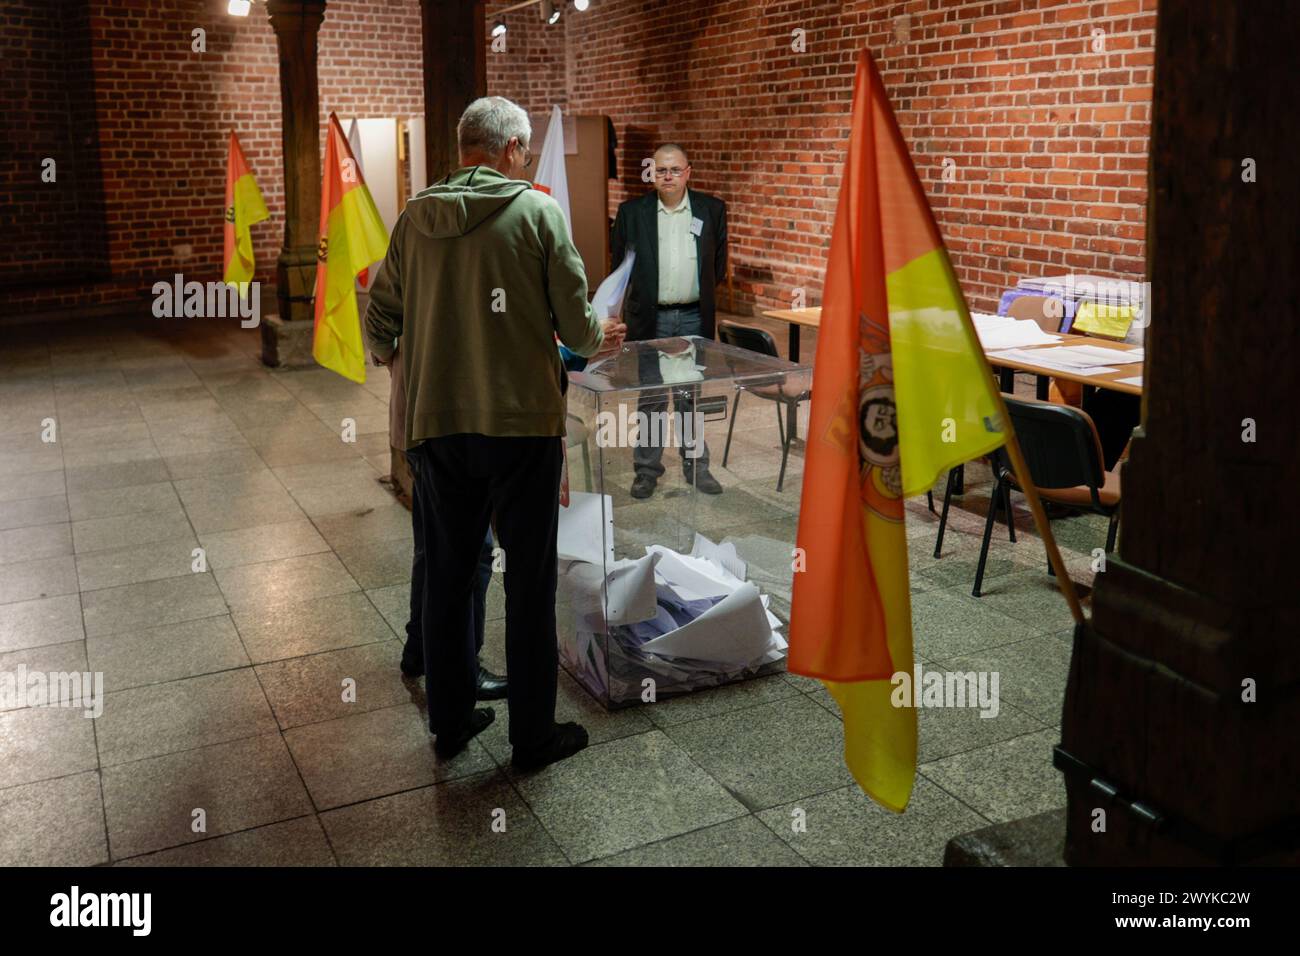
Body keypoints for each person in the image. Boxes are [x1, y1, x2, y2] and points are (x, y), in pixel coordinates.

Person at [364, 95, 622, 769]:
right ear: (510, 149)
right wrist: (597, 334)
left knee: (448, 575)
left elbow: (379, 316)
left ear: (462, 148)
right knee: (528, 581)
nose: (526, 160)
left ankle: (450, 723)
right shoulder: (537, 212)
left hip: (437, 424)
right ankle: (533, 737)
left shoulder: (416, 216)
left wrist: (406, 359)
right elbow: (577, 326)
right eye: (525, 151)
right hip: (522, 427)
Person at [379, 340, 504, 700]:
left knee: (431, 545)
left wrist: (399, 361)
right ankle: (465, 668)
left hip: (418, 421)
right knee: (474, 554)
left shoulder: (403, 282)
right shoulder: (428, 281)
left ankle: (418, 649)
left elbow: (378, 333)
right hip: (442, 423)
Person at [611, 143, 728, 499]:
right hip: (651, 317)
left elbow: (718, 266)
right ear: (652, 173)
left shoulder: (711, 210)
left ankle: (696, 466)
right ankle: (647, 470)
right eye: (661, 170)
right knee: (651, 396)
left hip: (694, 315)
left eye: (675, 170)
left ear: (688, 171)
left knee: (690, 393)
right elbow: (620, 269)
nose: (668, 176)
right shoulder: (632, 213)